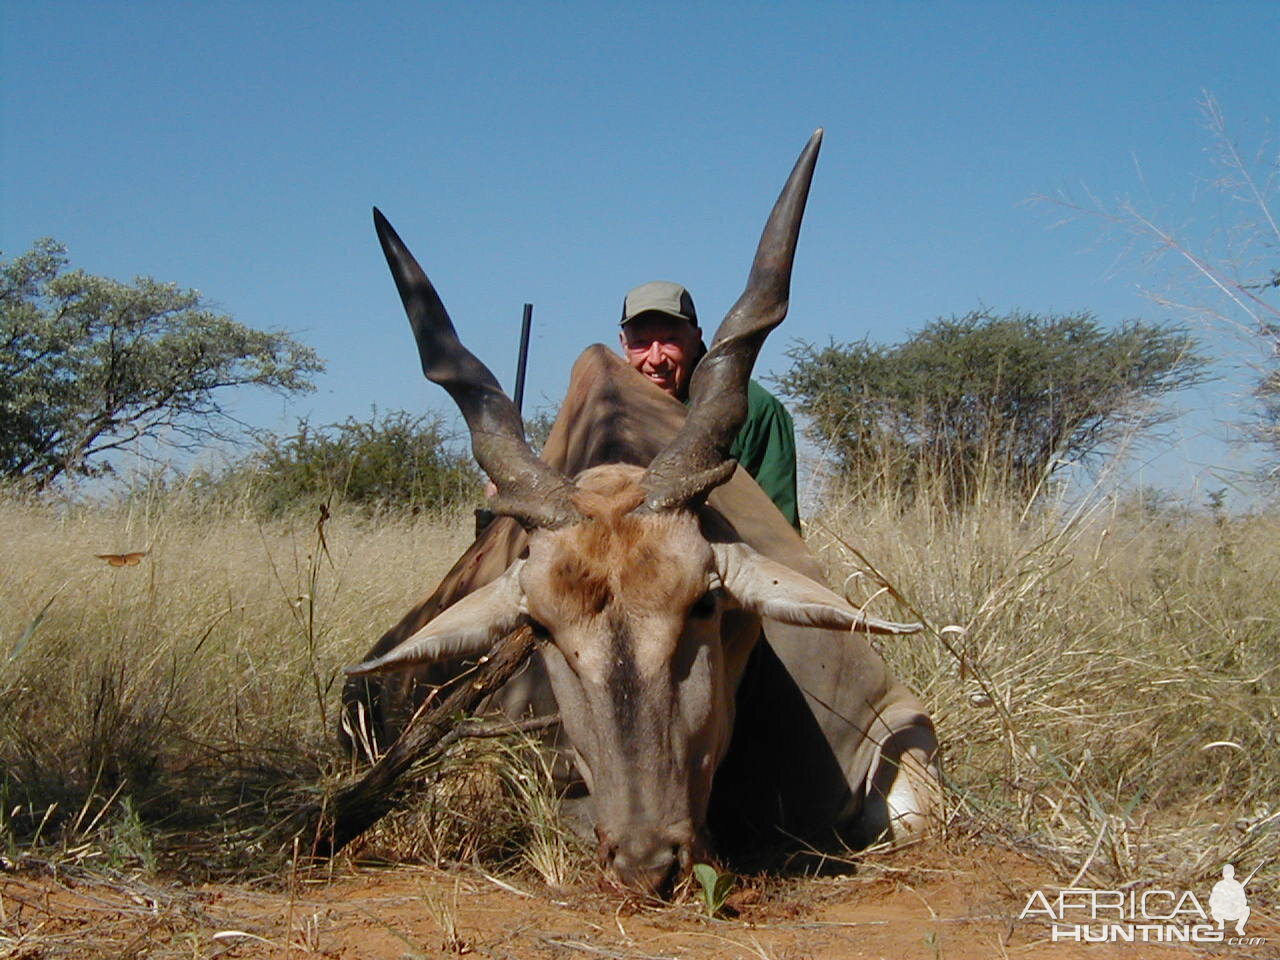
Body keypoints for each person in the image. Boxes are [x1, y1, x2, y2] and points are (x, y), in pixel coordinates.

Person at [619, 281, 801, 532]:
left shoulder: (755, 407)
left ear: (696, 339)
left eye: (670, 340)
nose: (656, 358)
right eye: (641, 343)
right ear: (623, 345)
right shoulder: (607, 411)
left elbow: (780, 528)